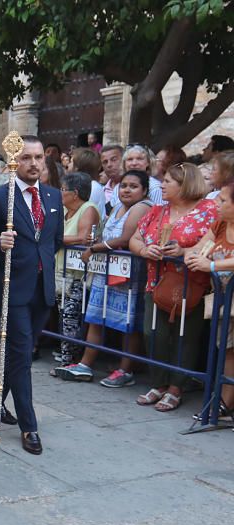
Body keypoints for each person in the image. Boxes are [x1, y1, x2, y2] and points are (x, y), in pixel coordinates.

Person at [0, 136, 64, 456]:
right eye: (26, 157)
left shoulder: (53, 196)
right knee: (22, 356)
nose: (33, 163)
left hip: (42, 289)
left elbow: (53, 241)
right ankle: (29, 425)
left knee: (21, 351)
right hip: (12, 287)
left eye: (38, 157)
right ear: (15, 161)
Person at [129, 162, 213, 412]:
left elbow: (215, 244)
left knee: (185, 337)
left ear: (184, 183)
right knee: (152, 333)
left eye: (167, 181)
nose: (161, 185)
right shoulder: (157, 210)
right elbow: (135, 238)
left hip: (192, 285)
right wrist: (145, 249)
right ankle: (159, 383)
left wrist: (184, 251)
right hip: (155, 282)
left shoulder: (208, 211)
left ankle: (177, 388)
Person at [56, 170, 153, 386]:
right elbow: (107, 233)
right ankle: (86, 364)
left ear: (145, 190)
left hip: (127, 272)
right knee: (95, 316)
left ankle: (125, 370)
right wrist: (96, 242)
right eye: (124, 185)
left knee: (127, 321)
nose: (126, 189)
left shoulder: (142, 207)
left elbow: (125, 238)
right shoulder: (118, 206)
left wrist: (95, 248)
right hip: (105, 268)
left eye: (133, 186)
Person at [185, 181, 234, 419]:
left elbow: (211, 261)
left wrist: (212, 265)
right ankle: (224, 403)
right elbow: (199, 247)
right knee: (228, 350)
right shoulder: (220, 224)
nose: (216, 203)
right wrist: (191, 255)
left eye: (223, 200)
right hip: (225, 300)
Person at [52, 172, 99, 366]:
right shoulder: (64, 210)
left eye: (62, 189)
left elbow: (83, 237)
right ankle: (66, 356)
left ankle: (68, 362)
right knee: (63, 316)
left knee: (71, 318)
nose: (59, 193)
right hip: (61, 272)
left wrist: (54, 237)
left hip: (79, 275)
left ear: (75, 193)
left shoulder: (88, 209)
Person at [101, 145, 125, 212]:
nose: (109, 165)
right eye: (105, 162)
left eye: (114, 160)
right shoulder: (101, 191)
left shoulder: (136, 189)